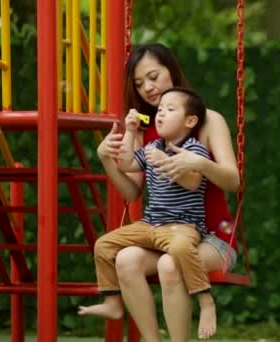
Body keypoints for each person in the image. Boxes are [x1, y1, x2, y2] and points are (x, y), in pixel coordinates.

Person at [84, 44, 240, 342]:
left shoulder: (208, 121)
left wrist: (199, 162)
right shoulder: (147, 131)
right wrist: (107, 160)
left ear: (173, 70)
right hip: (162, 233)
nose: (148, 88)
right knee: (125, 260)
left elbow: (233, 182)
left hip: (213, 239)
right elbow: (131, 193)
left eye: (154, 76)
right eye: (139, 83)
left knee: (171, 263)